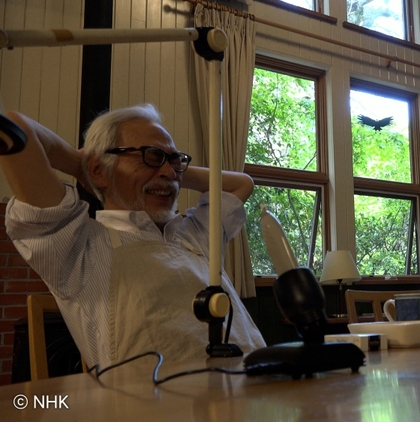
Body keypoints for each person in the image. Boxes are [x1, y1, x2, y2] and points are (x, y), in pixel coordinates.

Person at [0, 104, 265, 367]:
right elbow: (19, 130)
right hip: (153, 394)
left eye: (174, 160)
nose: (170, 173)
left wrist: (170, 170)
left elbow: (242, 184)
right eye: (151, 156)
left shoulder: (195, 234)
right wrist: (83, 166)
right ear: (99, 171)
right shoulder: (78, 244)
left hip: (257, 381)